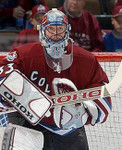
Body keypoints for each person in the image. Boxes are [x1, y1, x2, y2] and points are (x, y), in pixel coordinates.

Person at [0, 8, 111, 150]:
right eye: (51, 29)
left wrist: (82, 115)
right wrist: (25, 99)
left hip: (68, 130)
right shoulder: (24, 55)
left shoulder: (86, 60)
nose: (56, 34)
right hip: (26, 127)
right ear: (42, 31)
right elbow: (3, 76)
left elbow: (103, 99)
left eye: (60, 29)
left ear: (67, 31)